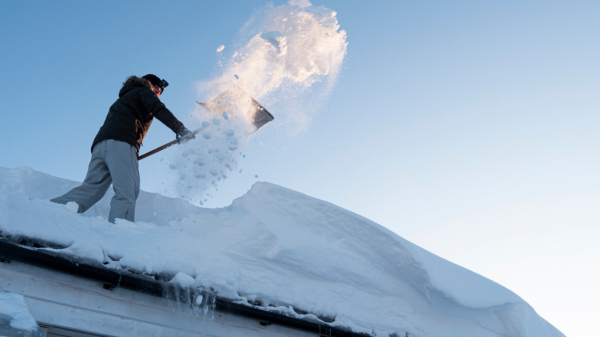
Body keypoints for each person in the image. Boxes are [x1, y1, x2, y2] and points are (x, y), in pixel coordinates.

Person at [51, 74, 194, 223]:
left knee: (91, 189)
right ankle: (120, 232)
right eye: (156, 88)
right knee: (127, 190)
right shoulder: (143, 92)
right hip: (122, 143)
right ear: (148, 84)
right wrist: (180, 129)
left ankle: (48, 212)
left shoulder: (124, 98)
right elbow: (158, 109)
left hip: (101, 145)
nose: (158, 92)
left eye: (160, 91)